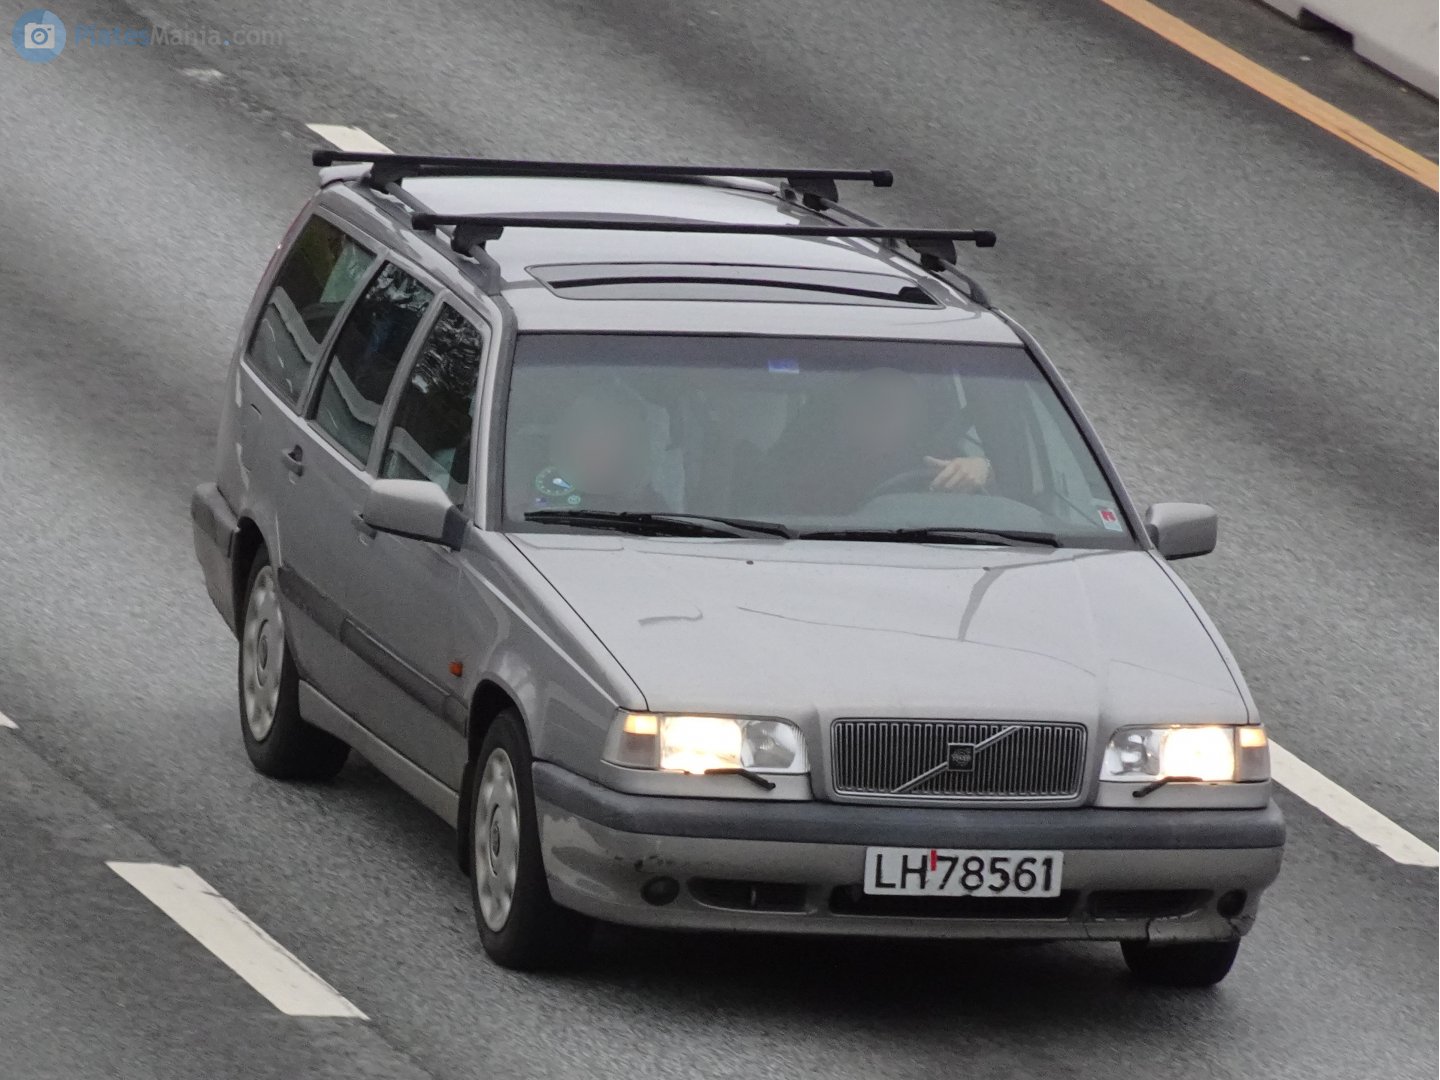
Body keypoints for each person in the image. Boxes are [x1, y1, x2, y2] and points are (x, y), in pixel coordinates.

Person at [752, 368, 990, 514]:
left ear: (917, 418)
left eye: (897, 405)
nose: (882, 413)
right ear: (843, 408)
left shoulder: (938, 461)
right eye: (871, 400)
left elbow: (1005, 503)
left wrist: (982, 470)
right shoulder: (799, 460)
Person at [529, 387, 666, 512]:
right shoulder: (530, 503)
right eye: (584, 433)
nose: (596, 449)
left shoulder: (654, 515)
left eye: (605, 437)